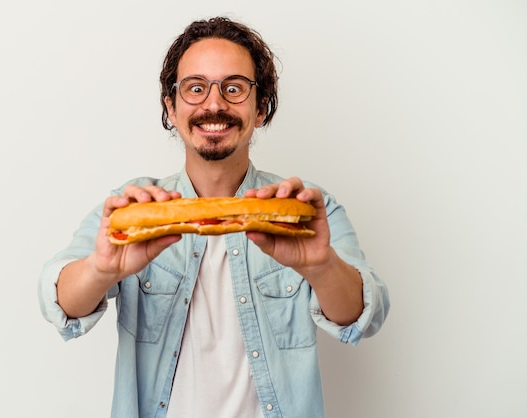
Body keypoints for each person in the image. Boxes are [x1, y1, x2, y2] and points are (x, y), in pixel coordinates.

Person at [38, 16, 390, 418]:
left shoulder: (308, 210)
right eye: (196, 88)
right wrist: (102, 268)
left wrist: (321, 265)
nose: (214, 103)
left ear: (261, 108)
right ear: (171, 107)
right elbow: (59, 301)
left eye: (234, 88)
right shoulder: (133, 210)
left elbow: (363, 316)